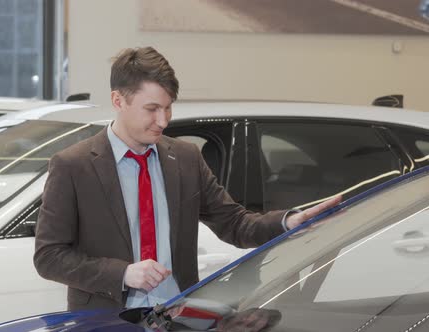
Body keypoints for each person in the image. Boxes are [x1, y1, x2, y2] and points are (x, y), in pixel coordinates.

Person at [34, 46, 340, 311]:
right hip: (106, 320)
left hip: (178, 317)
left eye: (168, 108)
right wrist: (123, 274)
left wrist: (287, 223)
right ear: (118, 101)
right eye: (151, 109)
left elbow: (235, 224)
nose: (163, 121)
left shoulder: (185, 159)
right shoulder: (72, 166)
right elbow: (48, 256)